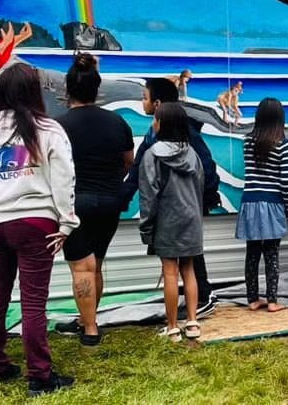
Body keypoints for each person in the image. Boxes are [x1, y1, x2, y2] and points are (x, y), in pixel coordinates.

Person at [0, 63, 78, 396]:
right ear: (34, 92)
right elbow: (64, 180)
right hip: (36, 225)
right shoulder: (49, 129)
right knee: (33, 303)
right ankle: (40, 377)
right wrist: (67, 222)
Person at [55, 53, 135, 346]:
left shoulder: (59, 125)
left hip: (76, 204)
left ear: (67, 90)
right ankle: (88, 319)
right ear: (97, 89)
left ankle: (89, 329)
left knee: (81, 267)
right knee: (96, 264)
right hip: (110, 202)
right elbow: (129, 161)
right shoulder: (117, 122)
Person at [128, 78, 221, 320]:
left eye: (145, 98)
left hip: (177, 211)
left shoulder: (179, 136)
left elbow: (206, 169)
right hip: (186, 210)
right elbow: (137, 171)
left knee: (178, 266)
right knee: (187, 262)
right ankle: (192, 312)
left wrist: (206, 199)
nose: (142, 102)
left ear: (157, 105)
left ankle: (201, 299)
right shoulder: (158, 137)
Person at [138, 102, 205, 341]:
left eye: (155, 119)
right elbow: (200, 187)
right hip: (191, 218)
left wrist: (146, 229)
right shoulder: (193, 154)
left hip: (167, 219)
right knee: (189, 270)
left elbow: (148, 196)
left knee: (169, 272)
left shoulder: (151, 155)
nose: (153, 123)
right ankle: (193, 322)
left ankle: (173, 326)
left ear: (162, 124)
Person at [236, 97, 288, 312]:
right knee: (271, 254)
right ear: (280, 118)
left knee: (252, 253)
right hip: (272, 203)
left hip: (250, 201)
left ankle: (252, 299)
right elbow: (286, 180)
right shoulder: (284, 145)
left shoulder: (247, 141)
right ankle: (272, 300)